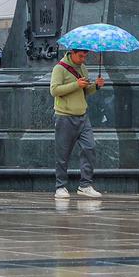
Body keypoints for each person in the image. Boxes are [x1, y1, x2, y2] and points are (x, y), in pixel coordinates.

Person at [50, 47, 104, 198]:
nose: (83, 59)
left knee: (90, 148)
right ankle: (60, 187)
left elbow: (85, 91)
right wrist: (76, 84)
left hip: (82, 116)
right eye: (80, 56)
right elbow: (54, 90)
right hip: (64, 116)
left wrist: (96, 86)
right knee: (63, 154)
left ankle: (85, 185)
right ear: (72, 53)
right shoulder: (59, 68)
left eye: (85, 56)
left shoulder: (83, 68)